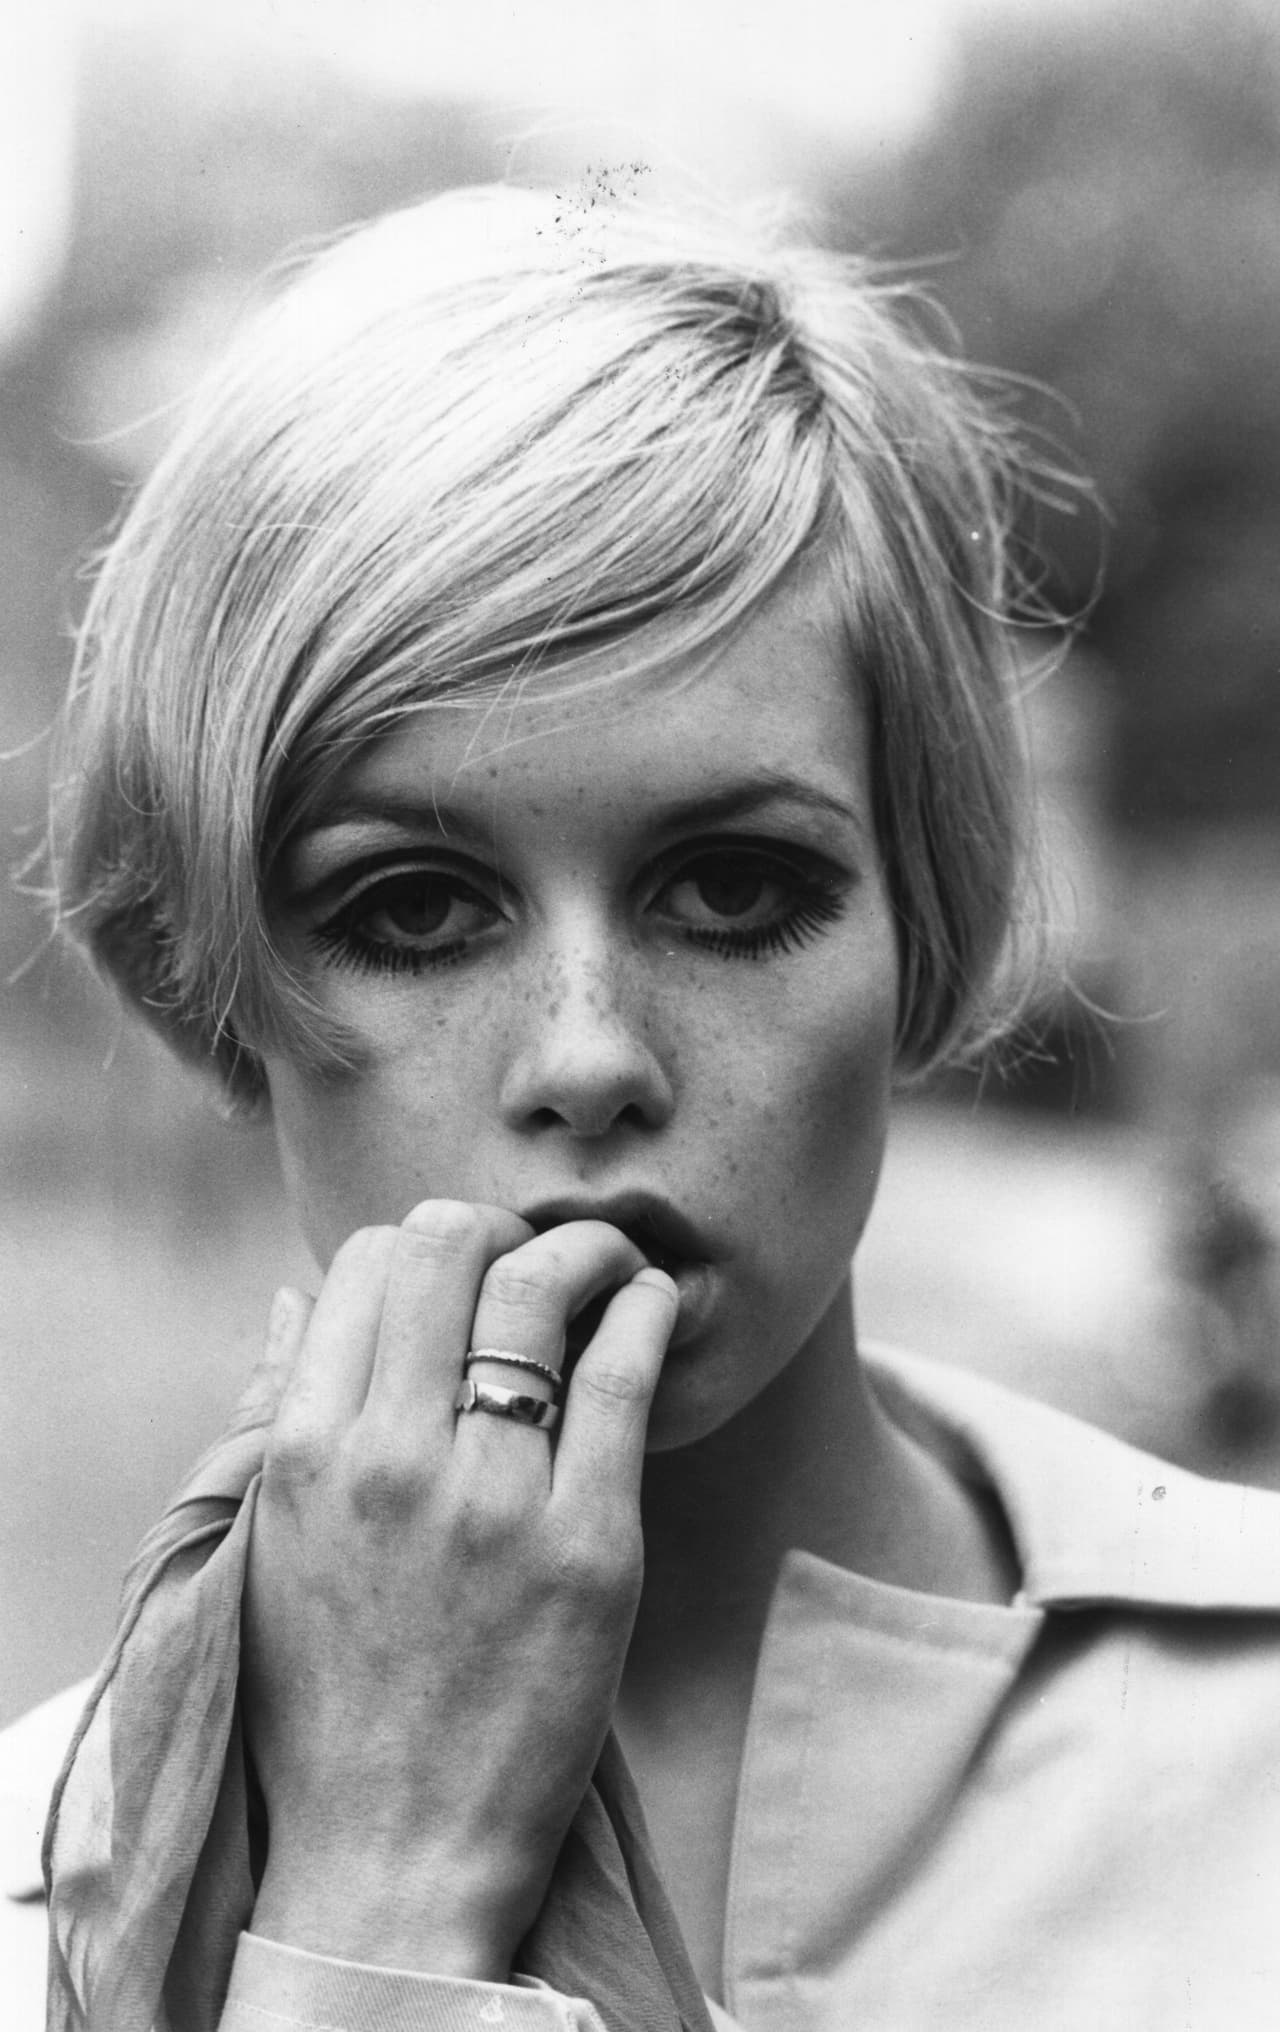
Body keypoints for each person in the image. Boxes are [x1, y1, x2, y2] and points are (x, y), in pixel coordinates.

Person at [11, 184, 1280, 2031]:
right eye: (414, 910)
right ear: (215, 994)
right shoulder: (43, 1881)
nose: (590, 1055)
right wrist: (376, 1900)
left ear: (925, 930)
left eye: (735, 888)